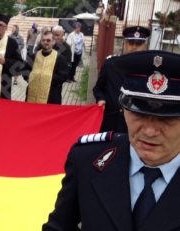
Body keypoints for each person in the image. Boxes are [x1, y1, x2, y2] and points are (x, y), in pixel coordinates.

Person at [42, 50, 180, 231]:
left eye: (166, 118)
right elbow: (59, 226)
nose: (149, 131)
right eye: (138, 113)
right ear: (123, 109)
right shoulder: (87, 159)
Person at [93, 26, 150, 133]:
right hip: (110, 121)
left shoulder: (149, 70)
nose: (134, 47)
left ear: (145, 46)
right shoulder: (111, 64)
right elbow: (98, 89)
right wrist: (101, 99)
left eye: (138, 44)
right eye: (131, 43)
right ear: (125, 44)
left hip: (135, 125)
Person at [26, 30, 69, 104]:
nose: (45, 42)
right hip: (32, 94)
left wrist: (45, 76)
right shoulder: (33, 56)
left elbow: (64, 76)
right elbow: (25, 70)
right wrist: (29, 76)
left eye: (48, 40)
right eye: (43, 40)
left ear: (53, 42)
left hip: (51, 96)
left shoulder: (60, 58)